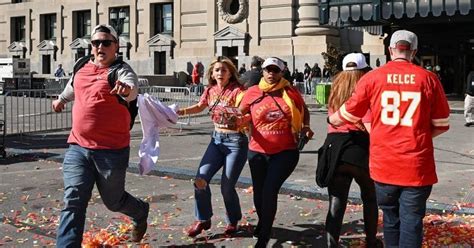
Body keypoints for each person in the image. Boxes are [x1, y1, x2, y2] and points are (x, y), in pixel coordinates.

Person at [328, 30, 450, 247]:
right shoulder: (428, 79)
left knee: (391, 220)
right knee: (412, 222)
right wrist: (417, 136)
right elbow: (441, 125)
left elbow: (347, 114)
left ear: (391, 49)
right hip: (416, 166)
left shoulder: (372, 78)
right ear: (413, 51)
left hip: (384, 165)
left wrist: (334, 119)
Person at [52, 24, 149, 246]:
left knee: (114, 202)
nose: (100, 47)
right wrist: (60, 100)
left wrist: (126, 90)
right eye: (96, 43)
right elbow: (72, 87)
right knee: (73, 199)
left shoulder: (121, 71)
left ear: (116, 46)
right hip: (78, 147)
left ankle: (140, 211)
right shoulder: (81, 66)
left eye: (106, 42)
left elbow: (132, 88)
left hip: (111, 152)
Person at [239, 57, 314, 247]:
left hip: (285, 152)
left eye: (275, 70)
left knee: (270, 189)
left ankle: (264, 235)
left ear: (282, 73)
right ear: (262, 71)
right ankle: (265, 223)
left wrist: (305, 127)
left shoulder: (290, 92)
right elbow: (241, 114)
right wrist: (238, 121)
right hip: (257, 151)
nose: (271, 74)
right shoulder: (252, 92)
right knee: (259, 193)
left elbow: (304, 110)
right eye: (267, 70)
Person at [176, 56, 248, 237]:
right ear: (212, 73)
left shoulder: (238, 90)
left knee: (226, 186)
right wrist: (180, 112)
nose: (220, 73)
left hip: (235, 143)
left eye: (224, 70)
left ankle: (233, 221)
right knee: (200, 179)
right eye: (217, 70)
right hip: (216, 141)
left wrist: (239, 115)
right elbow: (200, 106)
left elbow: (243, 108)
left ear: (231, 73)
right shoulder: (210, 90)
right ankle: (203, 218)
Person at [322, 53, 381, 248]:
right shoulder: (364, 88)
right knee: (370, 197)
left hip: (336, 147)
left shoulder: (335, 88)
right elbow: (368, 121)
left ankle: (332, 242)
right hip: (359, 147)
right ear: (364, 71)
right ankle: (371, 240)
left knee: (336, 199)